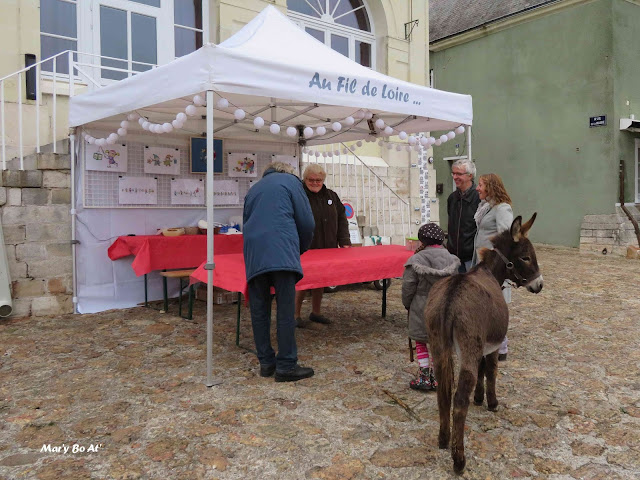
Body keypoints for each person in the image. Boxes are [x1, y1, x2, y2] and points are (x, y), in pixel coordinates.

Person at [243, 161, 316, 382]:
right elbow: (307, 222)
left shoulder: (254, 188)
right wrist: (298, 249)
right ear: (289, 172)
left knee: (259, 310)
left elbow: (246, 221)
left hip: (254, 254)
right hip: (281, 250)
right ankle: (286, 366)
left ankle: (266, 363)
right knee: (285, 310)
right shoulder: (292, 183)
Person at [402, 223, 460, 391]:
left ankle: (424, 375)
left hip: (422, 306)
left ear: (423, 241)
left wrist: (408, 304)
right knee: (439, 341)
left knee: (421, 341)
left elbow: (408, 286)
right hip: (444, 307)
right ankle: (437, 375)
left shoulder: (416, 260)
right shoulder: (451, 259)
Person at [294, 163, 351, 327]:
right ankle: (295, 315)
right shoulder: (299, 196)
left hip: (328, 246)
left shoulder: (332, 196)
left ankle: (316, 312)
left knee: (320, 279)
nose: (315, 182)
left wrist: (345, 241)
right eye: (311, 179)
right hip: (305, 247)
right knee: (302, 281)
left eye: (318, 180)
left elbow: (342, 218)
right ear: (305, 179)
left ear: (323, 180)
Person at [471, 173, 514, 361]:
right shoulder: (487, 207)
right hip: (481, 263)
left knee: (497, 303)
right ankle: (487, 343)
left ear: (490, 187)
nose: (477, 188)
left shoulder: (502, 208)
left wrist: (494, 259)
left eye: (480, 185)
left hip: (493, 267)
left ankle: (501, 347)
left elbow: (506, 238)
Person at [446, 158, 480, 273]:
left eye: (459, 174)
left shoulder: (479, 198)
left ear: (470, 176)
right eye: (453, 173)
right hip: (453, 258)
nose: (455, 177)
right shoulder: (452, 198)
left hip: (472, 258)